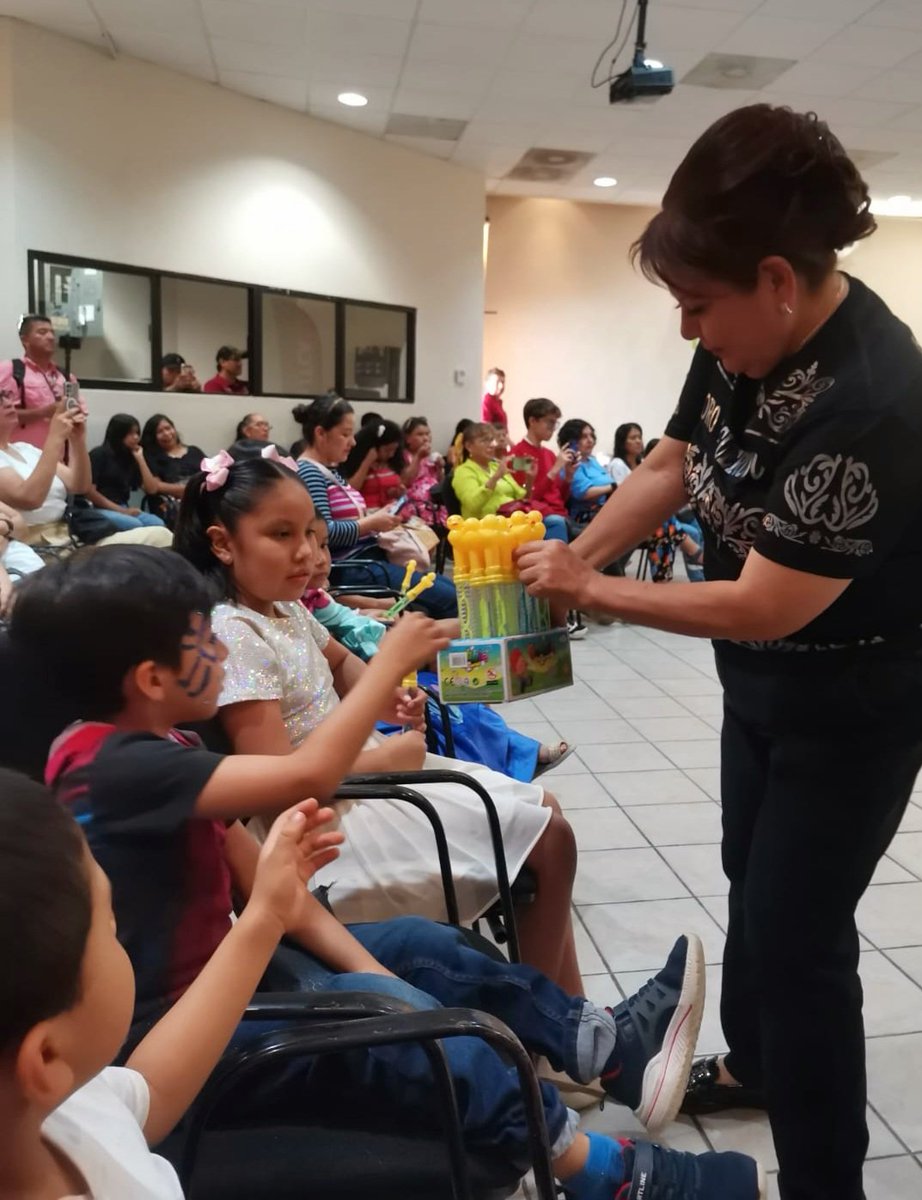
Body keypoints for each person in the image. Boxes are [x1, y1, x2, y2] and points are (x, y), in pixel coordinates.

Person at [9, 547, 762, 1200]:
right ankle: (598, 1170)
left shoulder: (157, 751)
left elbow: (276, 890)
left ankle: (607, 1048)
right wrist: (393, 662)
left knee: (424, 950)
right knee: (415, 1027)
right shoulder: (112, 766)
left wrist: (380, 975)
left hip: (234, 976)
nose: (221, 653)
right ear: (149, 677)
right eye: (205, 640)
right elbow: (307, 775)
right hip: (183, 1030)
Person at [513, 103, 920, 1200]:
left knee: (801, 940)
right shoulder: (741, 341)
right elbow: (671, 466)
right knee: (751, 878)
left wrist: (592, 590)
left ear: (777, 280)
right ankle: (757, 1062)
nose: (690, 328)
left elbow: (764, 603)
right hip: (764, 688)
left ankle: (826, 1180)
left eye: (698, 305)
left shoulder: (873, 398)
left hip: (857, 700)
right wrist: (572, 557)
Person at [175, 453, 580, 989]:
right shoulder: (236, 633)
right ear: (223, 543)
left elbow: (342, 664)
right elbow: (278, 787)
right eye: (281, 534)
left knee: (549, 813)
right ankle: (557, 1016)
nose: (307, 553)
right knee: (551, 837)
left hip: (361, 777)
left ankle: (572, 1014)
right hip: (327, 819)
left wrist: (386, 700)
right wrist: (389, 753)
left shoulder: (285, 608)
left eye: (312, 534)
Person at [0, 767, 344, 1200]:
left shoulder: (53, 1103)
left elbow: (152, 1092)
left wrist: (266, 915)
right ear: (47, 1055)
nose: (116, 930)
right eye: (110, 924)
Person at [293, 395, 458, 619]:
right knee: (449, 598)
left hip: (368, 560)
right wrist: (370, 523)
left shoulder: (327, 471)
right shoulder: (309, 473)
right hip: (354, 568)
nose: (353, 442)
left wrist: (377, 517)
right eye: (345, 434)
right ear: (320, 433)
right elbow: (321, 534)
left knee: (447, 587)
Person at [0, 394, 172, 551]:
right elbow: (30, 498)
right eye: (0, 400)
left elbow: (79, 485)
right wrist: (55, 437)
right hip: (40, 543)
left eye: (7, 396)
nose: (8, 402)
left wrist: (77, 440)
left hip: (74, 532)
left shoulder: (26, 449)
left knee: (162, 535)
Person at [452, 423, 568, 544]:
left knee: (555, 521)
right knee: (554, 523)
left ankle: (555, 554)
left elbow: (523, 498)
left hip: (514, 519)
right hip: (488, 526)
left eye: (491, 440)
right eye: (485, 441)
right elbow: (472, 504)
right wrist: (495, 478)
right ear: (469, 446)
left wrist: (529, 480)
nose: (492, 445)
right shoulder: (463, 471)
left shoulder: (495, 466)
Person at [0, 313, 79, 449]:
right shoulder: (10, 370)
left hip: (61, 457)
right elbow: (3, 415)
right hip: (22, 458)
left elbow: (76, 414)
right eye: (42, 332)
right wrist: (43, 412)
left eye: (52, 333)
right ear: (25, 340)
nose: (51, 337)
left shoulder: (67, 377)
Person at [87, 414, 170, 536]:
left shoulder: (130, 457)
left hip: (123, 507)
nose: (136, 437)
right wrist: (122, 511)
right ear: (118, 434)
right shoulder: (99, 454)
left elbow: (151, 489)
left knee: (158, 523)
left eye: (137, 433)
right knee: (134, 524)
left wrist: (140, 459)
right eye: (131, 433)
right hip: (98, 509)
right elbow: (89, 492)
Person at [510, 397, 578, 522]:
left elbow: (559, 499)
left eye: (555, 423)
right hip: (542, 519)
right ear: (532, 421)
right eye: (550, 422)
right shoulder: (518, 455)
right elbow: (526, 499)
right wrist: (553, 471)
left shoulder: (549, 454)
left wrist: (568, 478)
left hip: (561, 515)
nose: (553, 428)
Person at [556, 419, 613, 526]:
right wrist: (613, 486)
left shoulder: (593, 461)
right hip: (584, 515)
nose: (590, 440)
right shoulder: (570, 463)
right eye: (584, 437)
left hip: (605, 508)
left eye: (591, 436)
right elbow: (583, 493)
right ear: (571, 442)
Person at [342, 418, 405, 509]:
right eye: (387, 450)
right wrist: (367, 462)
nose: (391, 454)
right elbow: (352, 489)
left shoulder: (391, 463)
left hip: (390, 509)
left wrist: (395, 492)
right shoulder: (355, 462)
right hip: (367, 510)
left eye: (394, 450)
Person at [140, 413, 206, 497]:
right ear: (153, 437)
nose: (166, 433)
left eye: (168, 428)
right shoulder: (152, 458)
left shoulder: (194, 451)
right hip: (174, 503)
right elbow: (154, 487)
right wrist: (192, 490)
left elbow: (212, 475)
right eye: (160, 432)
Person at [400, 415, 447, 526]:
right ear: (407, 438)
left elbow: (440, 483)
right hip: (416, 507)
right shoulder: (404, 456)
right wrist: (418, 457)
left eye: (427, 434)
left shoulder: (431, 457)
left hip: (435, 505)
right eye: (420, 434)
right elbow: (405, 482)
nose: (426, 438)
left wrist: (440, 468)